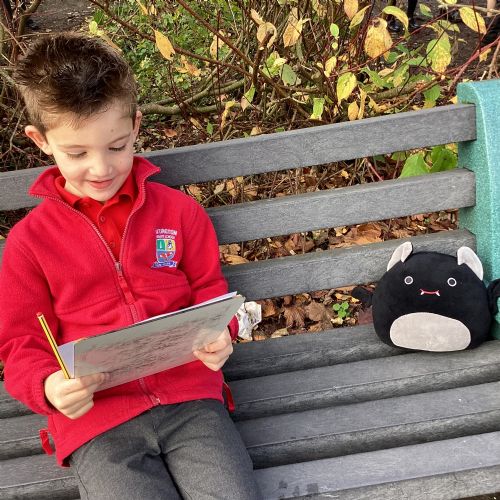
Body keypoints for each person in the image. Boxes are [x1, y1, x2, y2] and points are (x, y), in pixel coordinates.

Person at [0, 33, 261, 500]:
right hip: (96, 417)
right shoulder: (29, 244)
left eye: (117, 146)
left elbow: (209, 291)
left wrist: (221, 332)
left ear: (137, 126)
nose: (101, 168)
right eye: (77, 154)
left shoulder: (179, 213)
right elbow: (21, 343)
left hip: (189, 397)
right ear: (41, 141)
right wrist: (49, 385)